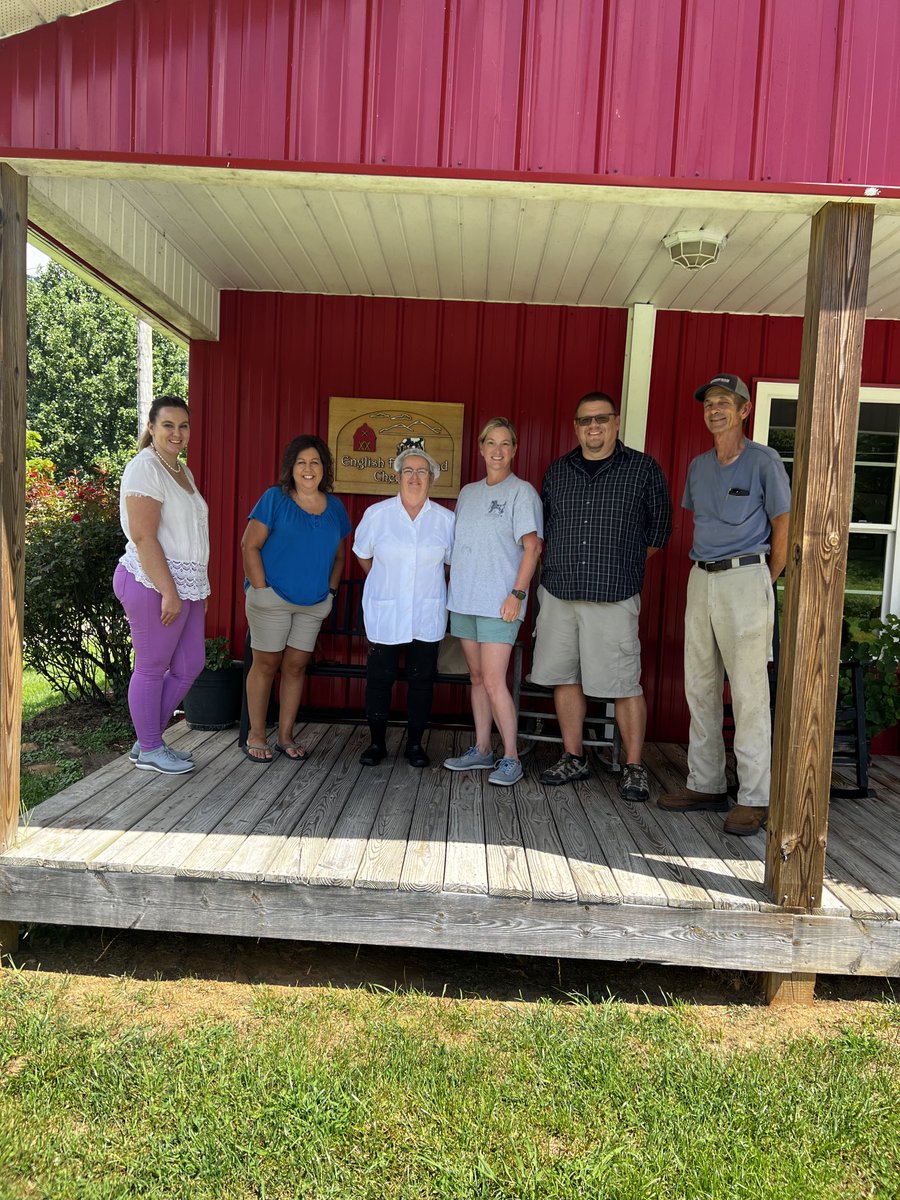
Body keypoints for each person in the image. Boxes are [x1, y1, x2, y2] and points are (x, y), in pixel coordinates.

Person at [658, 373, 790, 836]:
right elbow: (704, 521)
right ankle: (707, 782)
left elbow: (783, 525)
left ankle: (756, 797)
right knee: (700, 684)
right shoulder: (698, 466)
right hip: (703, 578)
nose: (715, 409)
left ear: (744, 410)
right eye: (709, 403)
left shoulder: (764, 461)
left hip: (747, 577)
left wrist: (762, 581)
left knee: (750, 691)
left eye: (724, 403)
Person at [531, 390, 672, 799]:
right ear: (576, 427)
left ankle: (633, 765)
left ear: (615, 422)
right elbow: (548, 528)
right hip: (560, 592)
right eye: (585, 420)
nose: (593, 426)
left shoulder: (644, 470)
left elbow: (658, 533)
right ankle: (574, 758)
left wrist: (620, 562)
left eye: (601, 419)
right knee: (565, 677)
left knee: (624, 683)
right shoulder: (557, 472)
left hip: (613, 594)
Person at [443, 418, 543, 786]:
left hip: (501, 603)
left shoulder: (522, 493)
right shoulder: (468, 493)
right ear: (481, 449)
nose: (498, 451)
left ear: (514, 450)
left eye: (505, 444)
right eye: (491, 443)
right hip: (465, 600)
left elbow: (532, 547)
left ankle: (511, 757)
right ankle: (482, 748)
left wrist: (517, 594)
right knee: (476, 678)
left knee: (494, 680)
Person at [114, 395, 209, 775]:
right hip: (153, 581)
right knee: (152, 666)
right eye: (168, 425)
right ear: (151, 427)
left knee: (191, 664)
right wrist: (168, 590)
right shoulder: (145, 468)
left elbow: (190, 532)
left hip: (187, 584)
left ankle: (147, 737)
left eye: (183, 426)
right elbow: (143, 536)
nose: (177, 433)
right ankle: (151, 747)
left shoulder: (182, 471)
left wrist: (198, 583)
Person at [241, 435, 350, 763]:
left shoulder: (335, 507)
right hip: (272, 599)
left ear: (324, 469)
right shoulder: (274, 499)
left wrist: (330, 593)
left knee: (296, 665)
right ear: (292, 467)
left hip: (313, 604)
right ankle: (256, 734)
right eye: (301, 462)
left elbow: (340, 557)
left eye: (315, 462)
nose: (308, 468)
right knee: (266, 664)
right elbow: (249, 545)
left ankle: (286, 736)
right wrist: (261, 589)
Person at [352, 438, 455, 768]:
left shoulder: (445, 520)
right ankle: (377, 743)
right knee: (380, 678)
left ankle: (414, 745)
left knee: (421, 680)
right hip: (386, 611)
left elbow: (449, 564)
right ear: (397, 476)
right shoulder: (377, 515)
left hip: (426, 612)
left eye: (421, 471)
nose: (414, 477)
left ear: (432, 478)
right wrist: (391, 583)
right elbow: (364, 557)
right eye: (408, 470)